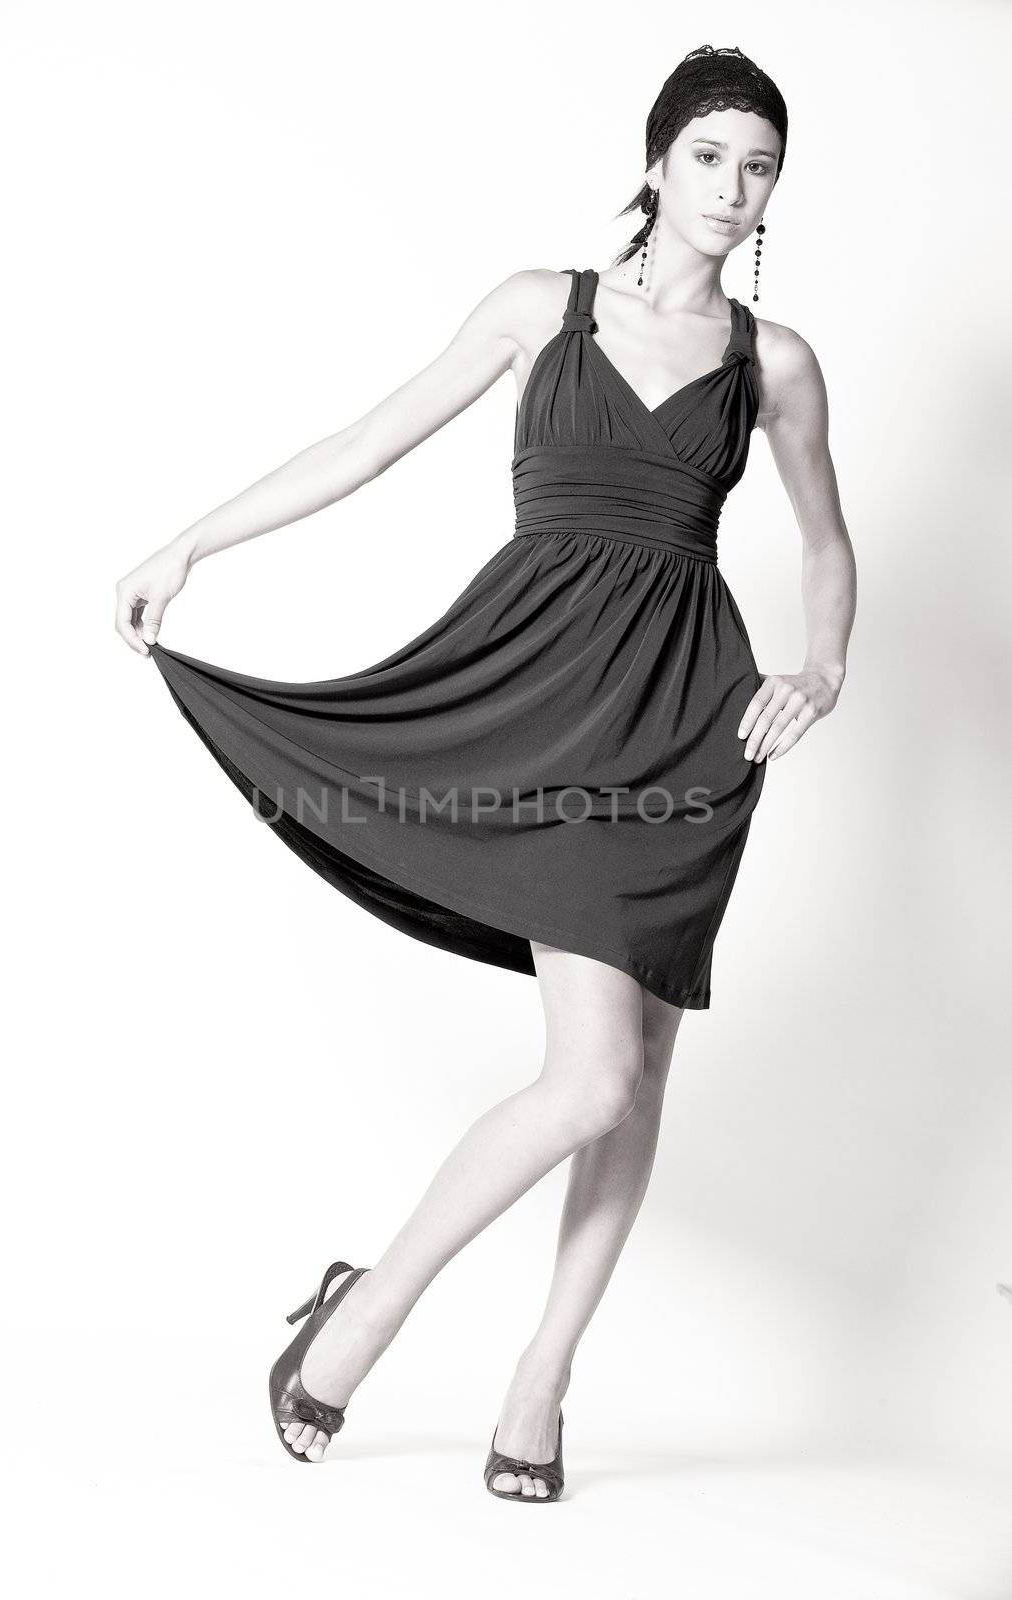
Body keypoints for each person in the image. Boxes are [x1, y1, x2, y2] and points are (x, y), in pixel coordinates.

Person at [115, 45, 855, 1502]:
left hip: (688, 721)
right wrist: (191, 541)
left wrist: (819, 666)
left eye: (759, 166)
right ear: (657, 163)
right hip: (538, 696)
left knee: (632, 1076)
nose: (732, 187)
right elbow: (366, 442)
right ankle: (366, 1311)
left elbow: (829, 545)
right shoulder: (543, 310)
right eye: (709, 155)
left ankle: (542, 1379)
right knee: (588, 1077)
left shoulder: (775, 365)